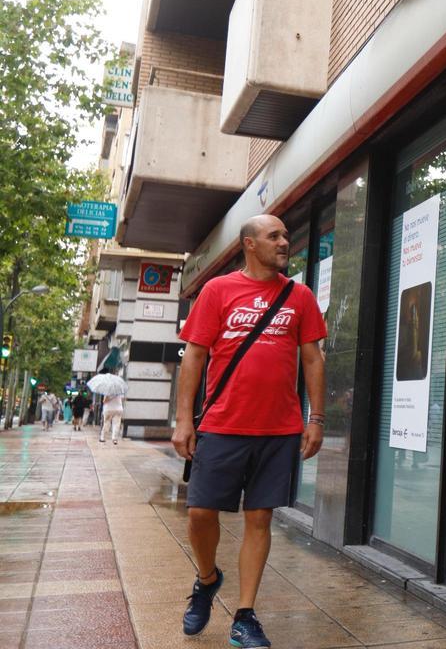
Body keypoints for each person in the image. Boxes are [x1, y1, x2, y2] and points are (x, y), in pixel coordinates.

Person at [172, 214, 327, 648]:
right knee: (201, 513)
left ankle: (245, 615)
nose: (284, 242)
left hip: (278, 429)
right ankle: (207, 579)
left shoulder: (300, 296)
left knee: (260, 518)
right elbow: (194, 358)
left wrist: (316, 419)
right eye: (273, 236)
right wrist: (185, 419)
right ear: (249, 245)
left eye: (285, 235)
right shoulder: (217, 290)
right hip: (222, 424)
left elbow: (313, 359)